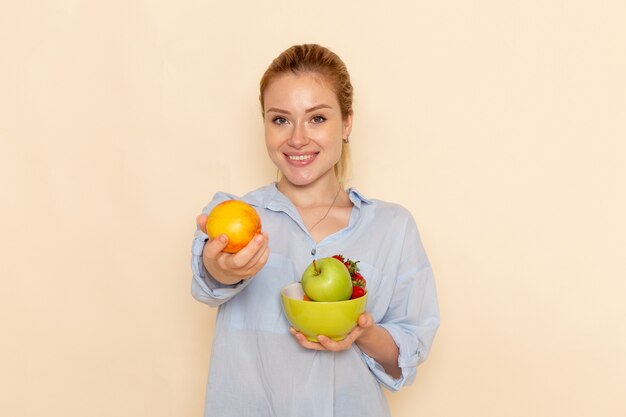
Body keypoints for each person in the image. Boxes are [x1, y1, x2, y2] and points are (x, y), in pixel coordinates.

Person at [191, 44, 439, 417]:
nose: (297, 138)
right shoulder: (234, 217)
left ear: (347, 124)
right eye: (280, 120)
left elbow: (410, 343)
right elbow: (208, 280)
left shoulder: (392, 228)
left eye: (317, 118)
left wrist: (362, 332)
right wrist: (222, 270)